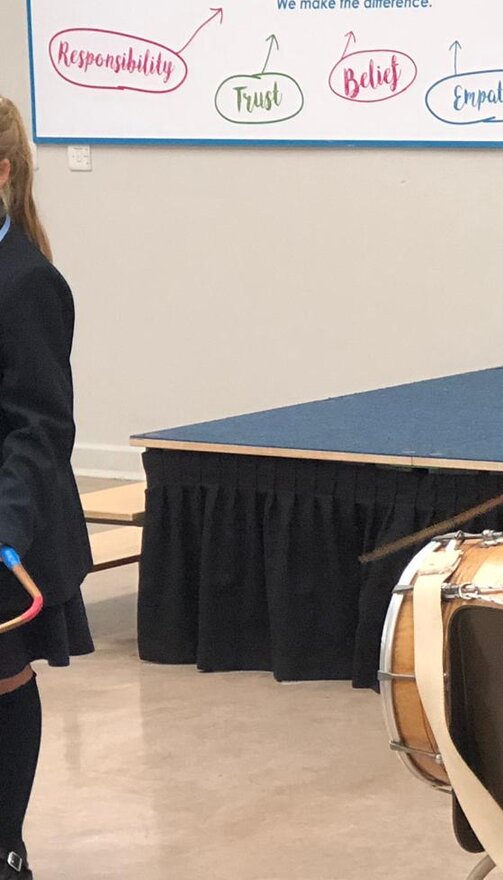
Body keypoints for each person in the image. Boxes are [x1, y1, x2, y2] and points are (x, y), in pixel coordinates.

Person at [0, 95, 94, 880]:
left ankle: (7, 847)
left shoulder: (28, 283)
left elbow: (41, 425)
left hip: (11, 514)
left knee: (1, 677)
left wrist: (4, 528)